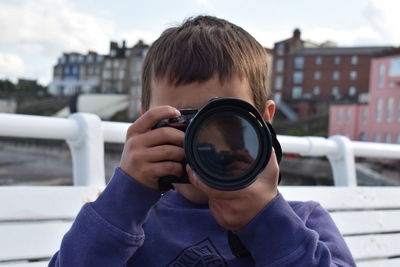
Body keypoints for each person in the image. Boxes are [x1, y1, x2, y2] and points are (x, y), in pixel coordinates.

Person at [49, 16, 356, 266]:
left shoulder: (302, 223)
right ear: (145, 124)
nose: (201, 142)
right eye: (179, 123)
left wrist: (267, 221)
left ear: (264, 121)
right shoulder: (127, 222)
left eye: (224, 120)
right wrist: (126, 194)